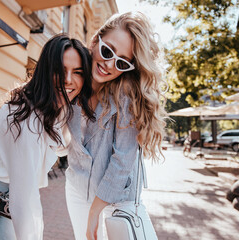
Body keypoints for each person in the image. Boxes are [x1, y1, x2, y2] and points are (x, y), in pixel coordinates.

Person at [0, 34, 93, 240]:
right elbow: (26, 200)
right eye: (60, 70)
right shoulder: (26, 118)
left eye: (77, 72)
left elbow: (60, 147)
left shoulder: (60, 108)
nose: (68, 79)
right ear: (46, 70)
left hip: (12, 187)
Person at [64, 11, 167, 240]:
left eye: (121, 62)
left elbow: (123, 159)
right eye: (107, 50)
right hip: (77, 188)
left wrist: (95, 211)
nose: (109, 64)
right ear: (95, 41)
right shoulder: (73, 83)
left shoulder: (125, 97)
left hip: (115, 198)